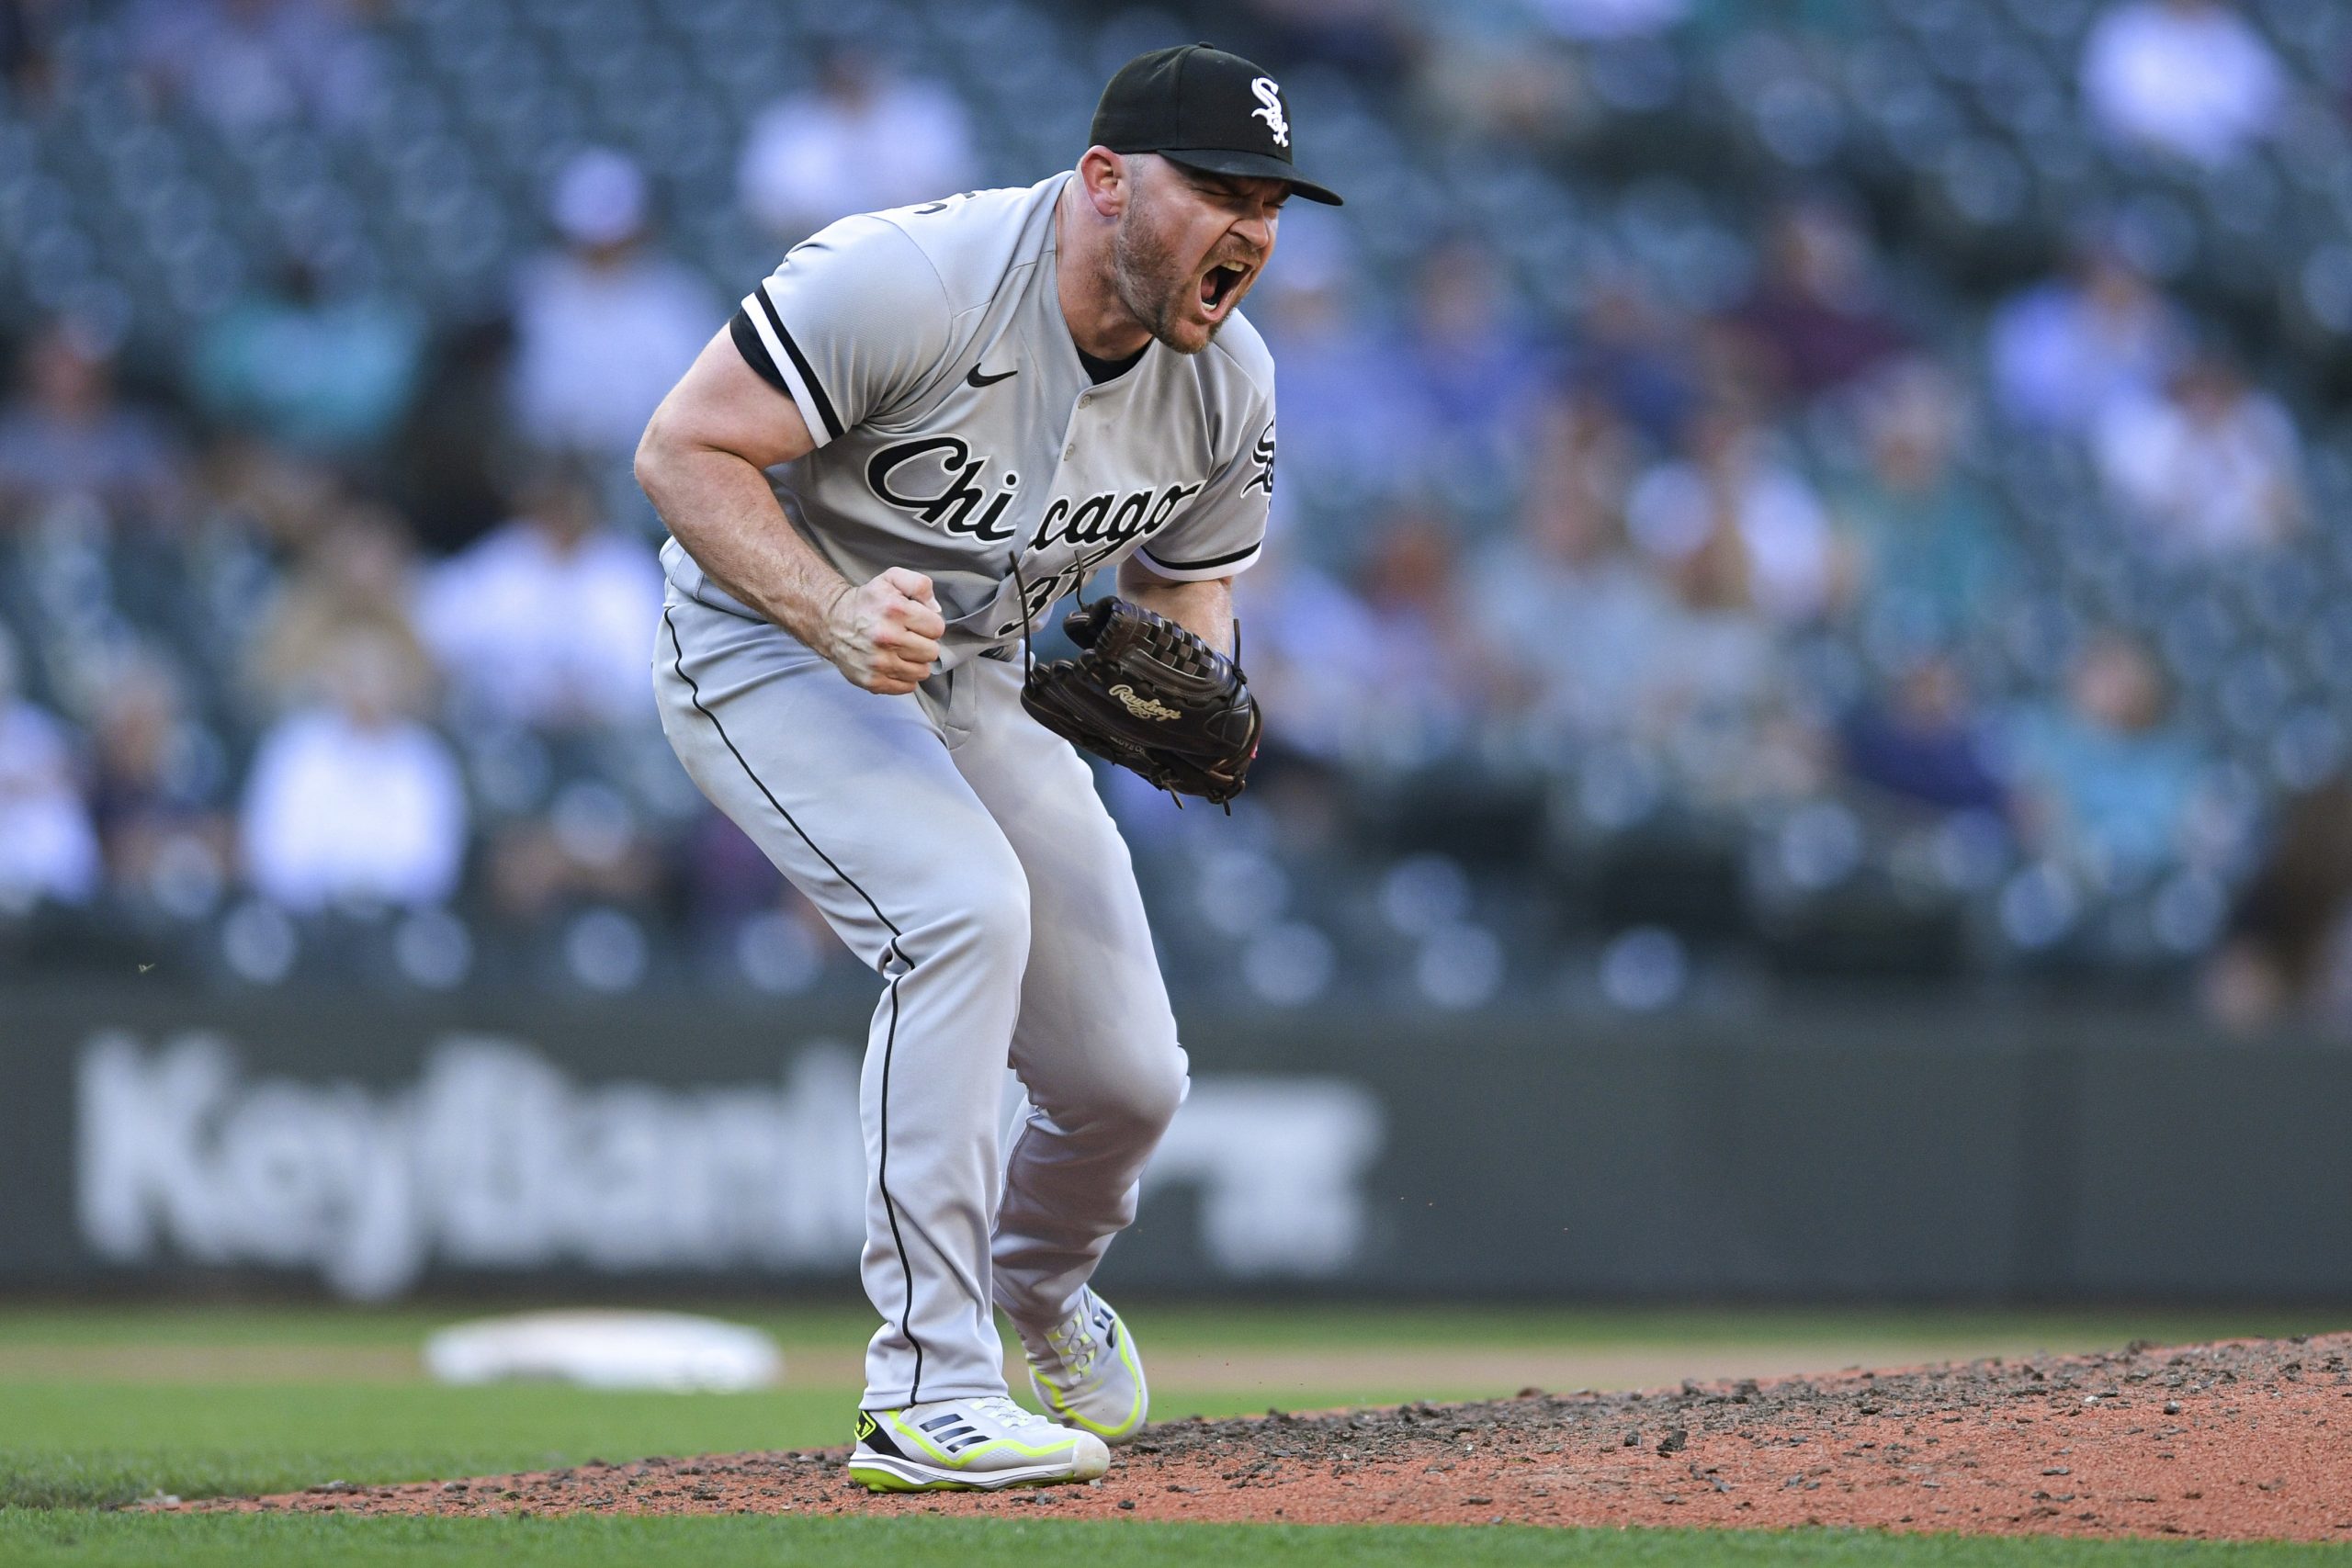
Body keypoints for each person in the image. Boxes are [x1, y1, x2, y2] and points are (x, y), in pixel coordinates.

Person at [636, 45, 1339, 1492]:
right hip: (776, 647)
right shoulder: (914, 280)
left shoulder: (1230, 385)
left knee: (1130, 1080)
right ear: (1104, 183)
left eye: (1269, 202)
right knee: (961, 913)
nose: (1250, 231)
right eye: (1218, 188)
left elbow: (1192, 585)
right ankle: (926, 1388)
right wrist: (828, 609)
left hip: (983, 677)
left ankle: (1034, 1289)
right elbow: (682, 448)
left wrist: (1188, 669)